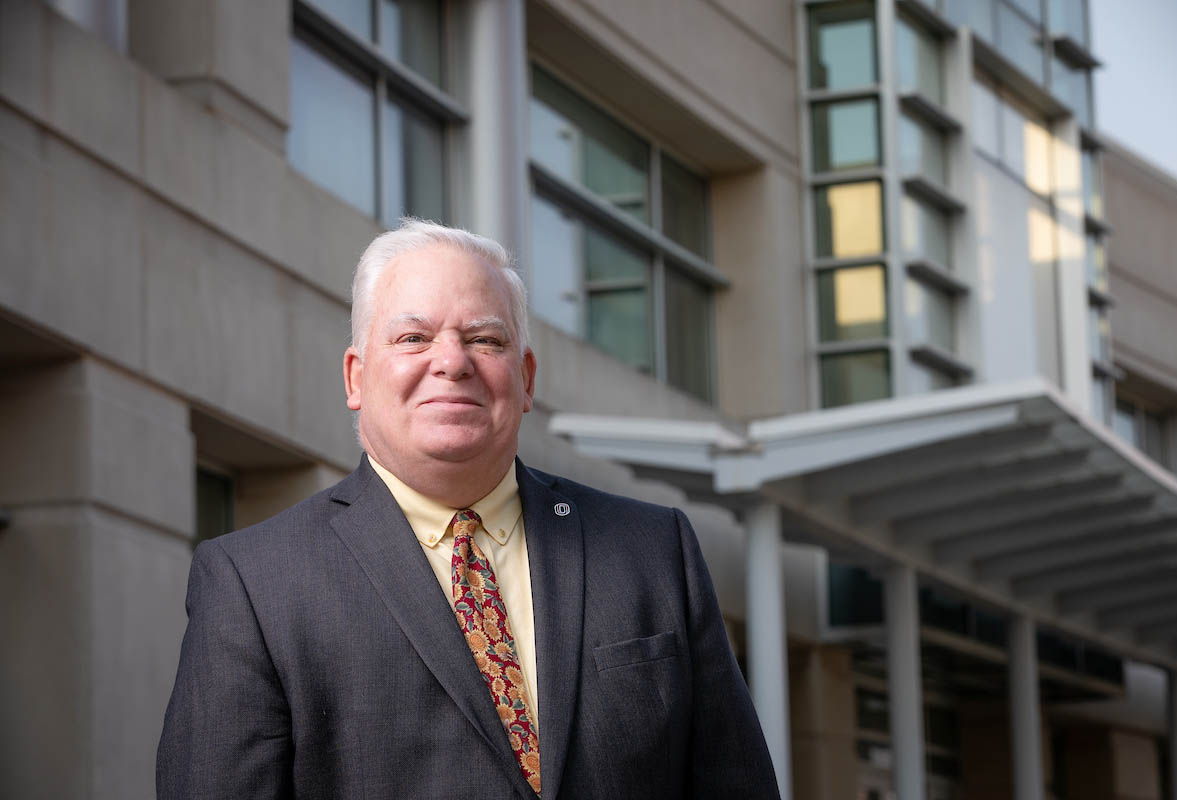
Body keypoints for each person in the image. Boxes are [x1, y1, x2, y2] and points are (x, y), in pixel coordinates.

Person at [156, 219, 780, 799]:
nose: (451, 362)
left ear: (526, 378)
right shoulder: (253, 583)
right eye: (413, 338)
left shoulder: (653, 550)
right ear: (356, 377)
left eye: (484, 339)